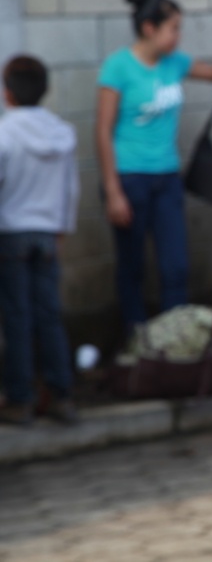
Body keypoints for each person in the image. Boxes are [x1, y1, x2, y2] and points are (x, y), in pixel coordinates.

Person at [96, 0, 212, 333]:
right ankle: (136, 338)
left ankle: (177, 337)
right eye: (174, 28)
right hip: (129, 177)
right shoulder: (118, 67)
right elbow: (103, 130)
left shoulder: (175, 63)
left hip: (167, 177)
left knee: (176, 264)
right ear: (150, 29)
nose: (179, 36)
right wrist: (113, 189)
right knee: (132, 265)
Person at [0, 56, 80, 426]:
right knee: (49, 316)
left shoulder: (5, 133)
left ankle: (20, 399)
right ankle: (61, 394)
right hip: (48, 235)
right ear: (45, 90)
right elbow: (71, 190)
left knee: (17, 318)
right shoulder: (62, 134)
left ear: (8, 93)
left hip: (11, 234)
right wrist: (61, 229)